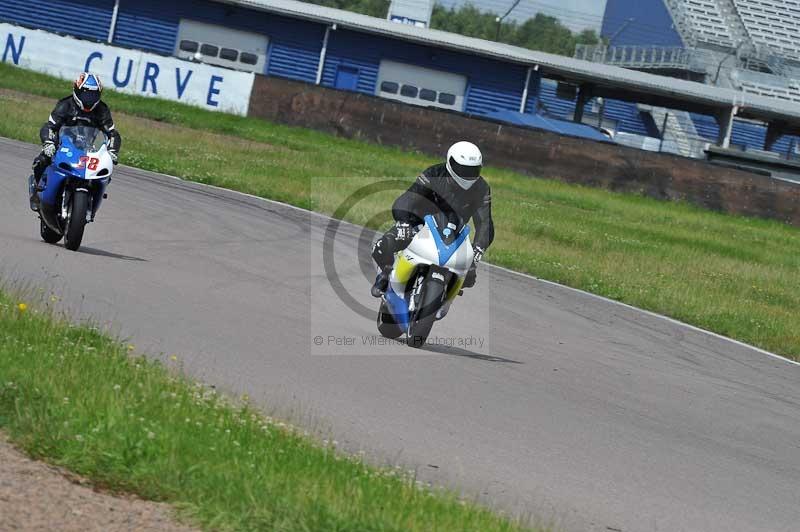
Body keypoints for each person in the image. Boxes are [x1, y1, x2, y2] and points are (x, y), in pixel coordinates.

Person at [371, 141, 494, 297]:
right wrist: (404, 223)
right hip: (420, 225)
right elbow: (408, 199)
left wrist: (478, 248)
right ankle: (386, 274)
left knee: (470, 276)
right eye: (462, 169)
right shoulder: (434, 173)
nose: (466, 175)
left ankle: (444, 296)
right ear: (450, 163)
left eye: (473, 170)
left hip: (454, 233)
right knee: (382, 248)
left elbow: (485, 223)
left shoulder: (481, 188)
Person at [30, 72, 121, 205]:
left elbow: (112, 134)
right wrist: (48, 143)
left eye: (93, 95)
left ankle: (93, 198)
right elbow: (49, 126)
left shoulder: (102, 110)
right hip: (61, 144)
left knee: (106, 169)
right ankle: (37, 192)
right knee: (41, 160)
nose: (88, 98)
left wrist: (112, 151)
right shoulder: (65, 105)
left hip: (88, 148)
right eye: (86, 94)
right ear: (76, 90)